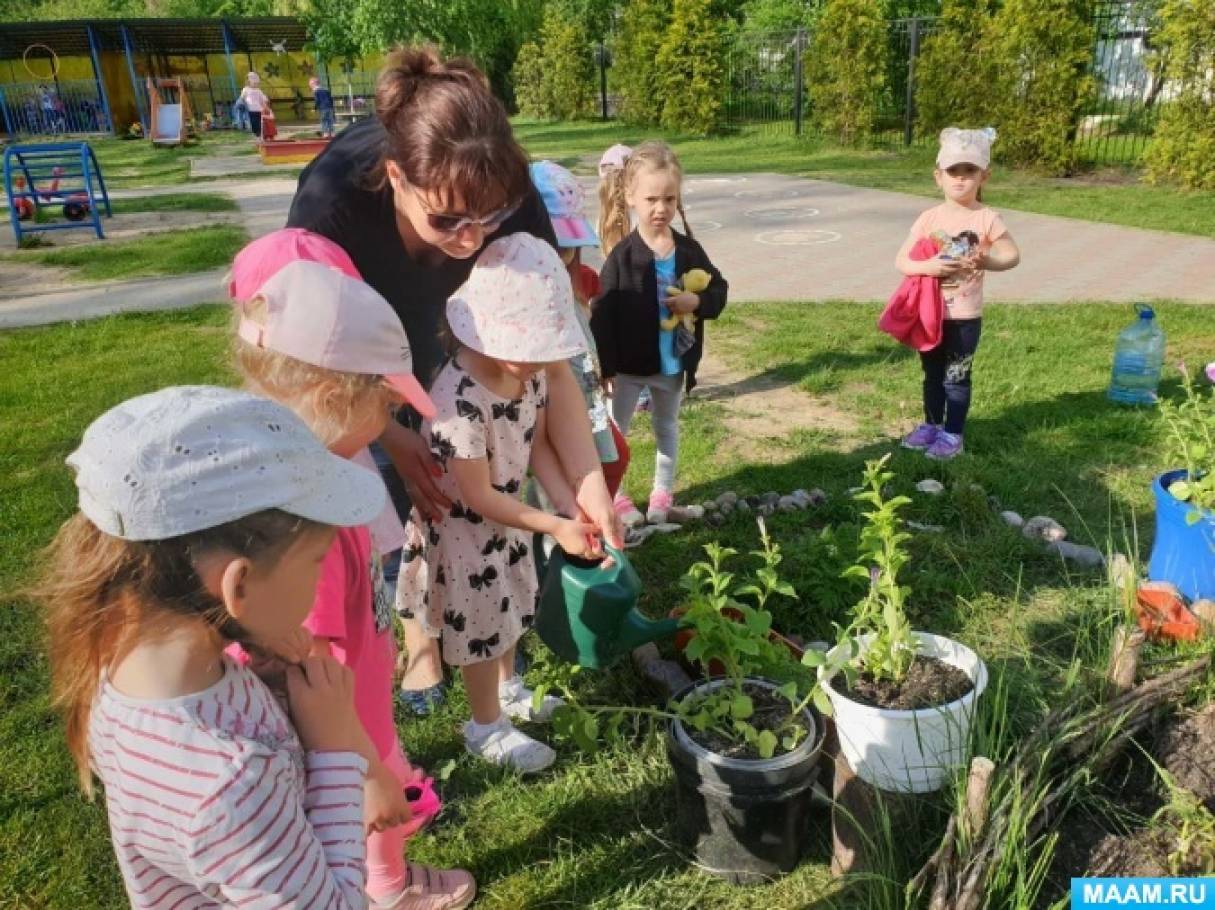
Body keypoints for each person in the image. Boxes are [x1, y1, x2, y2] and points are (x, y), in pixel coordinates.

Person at [286, 45, 622, 716]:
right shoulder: (333, 208)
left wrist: (589, 494)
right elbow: (315, 357)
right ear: (395, 178)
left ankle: (489, 639)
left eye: (487, 218)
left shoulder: (510, 197)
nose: (470, 240)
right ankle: (420, 645)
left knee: (480, 477)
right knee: (403, 493)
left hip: (475, 343)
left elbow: (547, 368)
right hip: (357, 343)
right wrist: (393, 433)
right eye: (446, 219)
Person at [37, 385, 384, 908]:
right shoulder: (232, 785)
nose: (319, 578)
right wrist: (336, 755)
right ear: (237, 587)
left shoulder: (116, 672)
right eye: (315, 561)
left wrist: (267, 676)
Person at [228, 229, 475, 910]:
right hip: (340, 718)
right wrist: (366, 767)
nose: (390, 417)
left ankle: (378, 876)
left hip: (341, 704)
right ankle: (386, 890)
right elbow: (307, 663)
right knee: (373, 809)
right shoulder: (317, 525)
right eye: (384, 403)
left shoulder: (274, 471)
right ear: (334, 396)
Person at [397, 233, 594, 774]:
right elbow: (477, 496)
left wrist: (569, 505)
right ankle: (484, 725)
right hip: (464, 531)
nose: (539, 363)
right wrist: (552, 525)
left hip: (504, 521)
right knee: (481, 626)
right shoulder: (456, 402)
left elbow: (533, 448)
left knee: (510, 608)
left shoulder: (519, 377)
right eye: (532, 349)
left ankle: (512, 692)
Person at [591, 140, 728, 525]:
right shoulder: (622, 256)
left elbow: (719, 289)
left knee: (666, 427)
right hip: (629, 368)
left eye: (669, 198)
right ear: (630, 196)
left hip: (672, 364)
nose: (660, 208)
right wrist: (606, 368)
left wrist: (696, 303)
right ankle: (617, 498)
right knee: (616, 434)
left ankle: (661, 497)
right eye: (651, 199)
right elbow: (603, 312)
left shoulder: (688, 250)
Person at [895, 127, 1021, 461]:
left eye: (970, 171)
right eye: (953, 171)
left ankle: (953, 435)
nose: (961, 179)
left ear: (985, 176)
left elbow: (1012, 255)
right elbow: (902, 260)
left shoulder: (987, 218)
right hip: (930, 314)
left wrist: (988, 260)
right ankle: (932, 425)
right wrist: (930, 267)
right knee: (932, 375)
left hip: (964, 318)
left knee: (956, 377)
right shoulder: (929, 218)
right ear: (938, 177)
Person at [531, 159, 630, 499]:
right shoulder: (526, 296)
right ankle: (561, 546)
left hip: (589, 397)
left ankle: (588, 533)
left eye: (567, 248)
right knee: (560, 482)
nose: (560, 258)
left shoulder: (576, 285)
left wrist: (601, 372)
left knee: (613, 461)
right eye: (552, 247)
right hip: (556, 409)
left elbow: (585, 338)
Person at [238, 72, 269, 140]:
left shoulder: (258, 90)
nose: (255, 84)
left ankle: (259, 135)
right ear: (249, 82)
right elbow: (242, 98)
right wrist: (241, 104)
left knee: (259, 123)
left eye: (256, 83)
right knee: (253, 122)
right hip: (250, 110)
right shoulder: (246, 89)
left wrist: (265, 107)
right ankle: (255, 134)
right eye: (254, 83)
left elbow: (262, 100)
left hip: (259, 110)